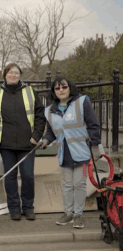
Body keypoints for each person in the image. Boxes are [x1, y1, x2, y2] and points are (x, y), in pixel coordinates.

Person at [41, 76, 101, 229]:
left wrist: (95, 147)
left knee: (79, 184)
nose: (61, 90)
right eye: (57, 88)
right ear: (53, 91)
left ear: (70, 88)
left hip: (81, 152)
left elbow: (93, 125)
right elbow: (51, 132)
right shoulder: (49, 111)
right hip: (64, 153)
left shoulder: (81, 102)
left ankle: (78, 215)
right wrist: (46, 141)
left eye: (64, 87)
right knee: (67, 185)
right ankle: (68, 214)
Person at [0, 63, 46, 221]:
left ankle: (28, 207)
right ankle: (14, 208)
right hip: (6, 143)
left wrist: (36, 136)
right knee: (9, 177)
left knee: (28, 176)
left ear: (20, 75)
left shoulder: (30, 91)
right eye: (10, 72)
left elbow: (40, 115)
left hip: (27, 144)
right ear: (5, 75)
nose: (13, 75)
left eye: (16, 73)